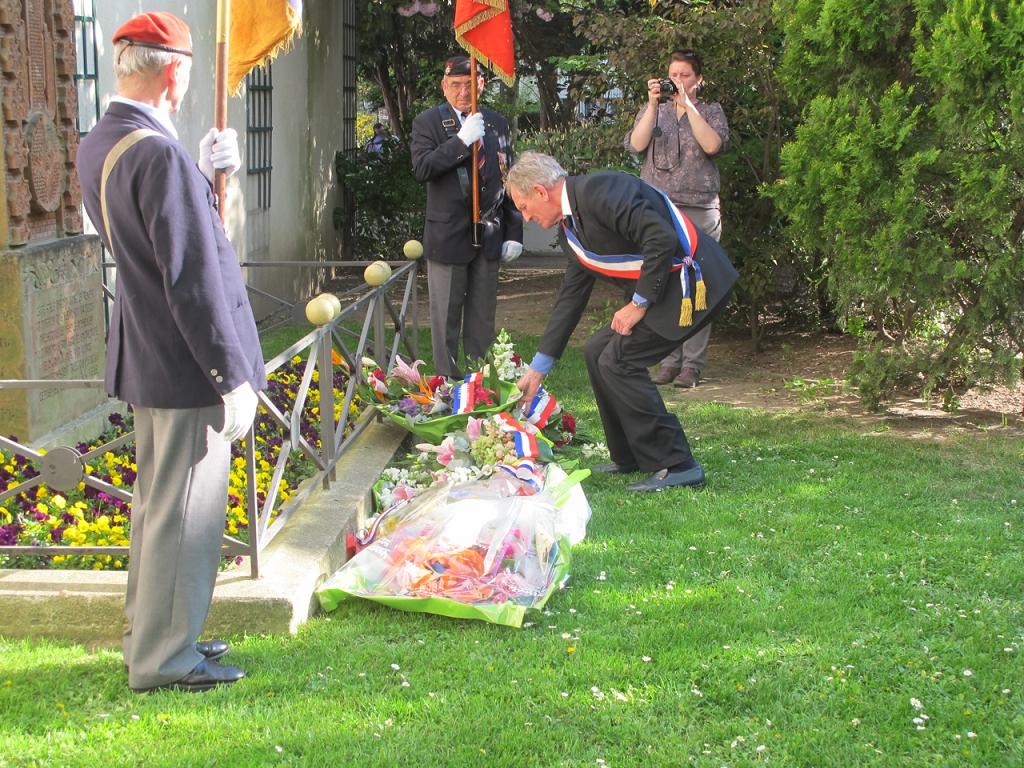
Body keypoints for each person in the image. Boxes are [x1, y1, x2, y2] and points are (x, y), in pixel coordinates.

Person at [76, 11, 266, 693]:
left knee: (161, 510)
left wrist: (207, 176)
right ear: (176, 72)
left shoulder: (103, 140)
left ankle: (154, 636)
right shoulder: (154, 153)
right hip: (186, 361)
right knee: (185, 514)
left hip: (149, 352)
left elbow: (169, 243)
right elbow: (190, 277)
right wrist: (231, 374)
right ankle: (164, 658)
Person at [506, 151, 737, 492]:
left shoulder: (603, 190)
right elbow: (570, 299)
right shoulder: (572, 230)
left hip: (696, 285)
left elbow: (660, 237)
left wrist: (638, 304)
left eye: (524, 206)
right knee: (597, 350)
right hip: (667, 289)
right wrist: (538, 368)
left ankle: (677, 464)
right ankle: (629, 454)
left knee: (618, 359)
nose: (525, 217)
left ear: (540, 192)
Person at [410, 55, 524, 378]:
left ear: (482, 85)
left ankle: (479, 389)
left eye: (470, 84)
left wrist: (514, 230)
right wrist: (461, 142)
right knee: (445, 321)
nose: (463, 92)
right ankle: (447, 391)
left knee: (482, 322)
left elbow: (508, 177)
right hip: (448, 236)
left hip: (489, 234)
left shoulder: (497, 123)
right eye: (456, 85)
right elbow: (423, 168)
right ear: (444, 86)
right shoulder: (428, 123)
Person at [624, 49, 730, 388]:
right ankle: (668, 360)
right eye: (673, 74)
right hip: (659, 209)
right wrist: (654, 105)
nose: (678, 81)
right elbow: (636, 144)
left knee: (697, 283)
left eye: (685, 75)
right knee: (664, 284)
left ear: (699, 79)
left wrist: (689, 106)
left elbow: (712, 146)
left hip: (699, 210)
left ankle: (692, 365)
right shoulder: (653, 111)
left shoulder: (711, 111)